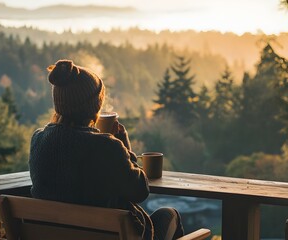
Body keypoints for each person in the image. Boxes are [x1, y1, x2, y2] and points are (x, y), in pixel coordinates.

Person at [29, 59, 184, 240]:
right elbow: (140, 190)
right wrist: (124, 146)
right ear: (95, 105)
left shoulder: (39, 140)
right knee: (168, 214)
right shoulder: (108, 148)